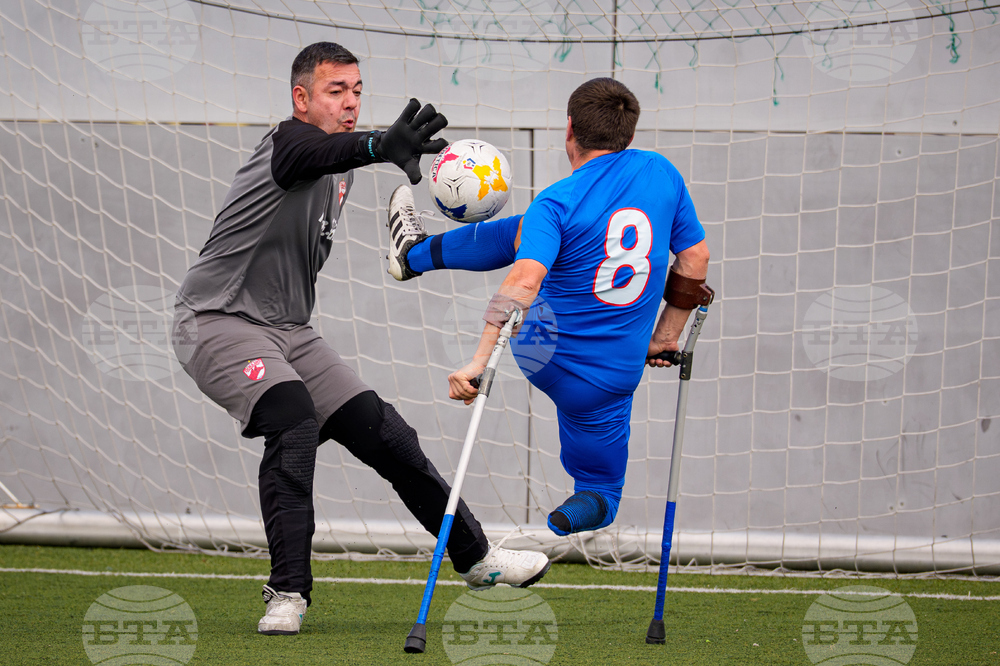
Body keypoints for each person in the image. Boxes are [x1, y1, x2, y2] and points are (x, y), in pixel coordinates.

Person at [170, 42, 549, 637]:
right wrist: (377, 144)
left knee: (387, 434)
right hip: (216, 321)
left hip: (289, 331)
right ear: (301, 98)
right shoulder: (288, 145)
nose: (349, 103)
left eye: (357, 92)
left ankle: (477, 559)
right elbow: (317, 150)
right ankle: (287, 591)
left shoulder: (339, 166)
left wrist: (370, 154)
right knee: (293, 420)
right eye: (335, 91)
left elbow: (338, 154)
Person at [386, 77, 712, 538]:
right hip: (611, 376)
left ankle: (413, 255)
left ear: (569, 129)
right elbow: (695, 258)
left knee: (529, 235)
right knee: (603, 491)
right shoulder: (662, 173)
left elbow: (524, 281)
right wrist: (665, 337)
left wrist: (479, 361)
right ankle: (584, 504)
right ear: (630, 133)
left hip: (540, 348)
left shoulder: (556, 201)